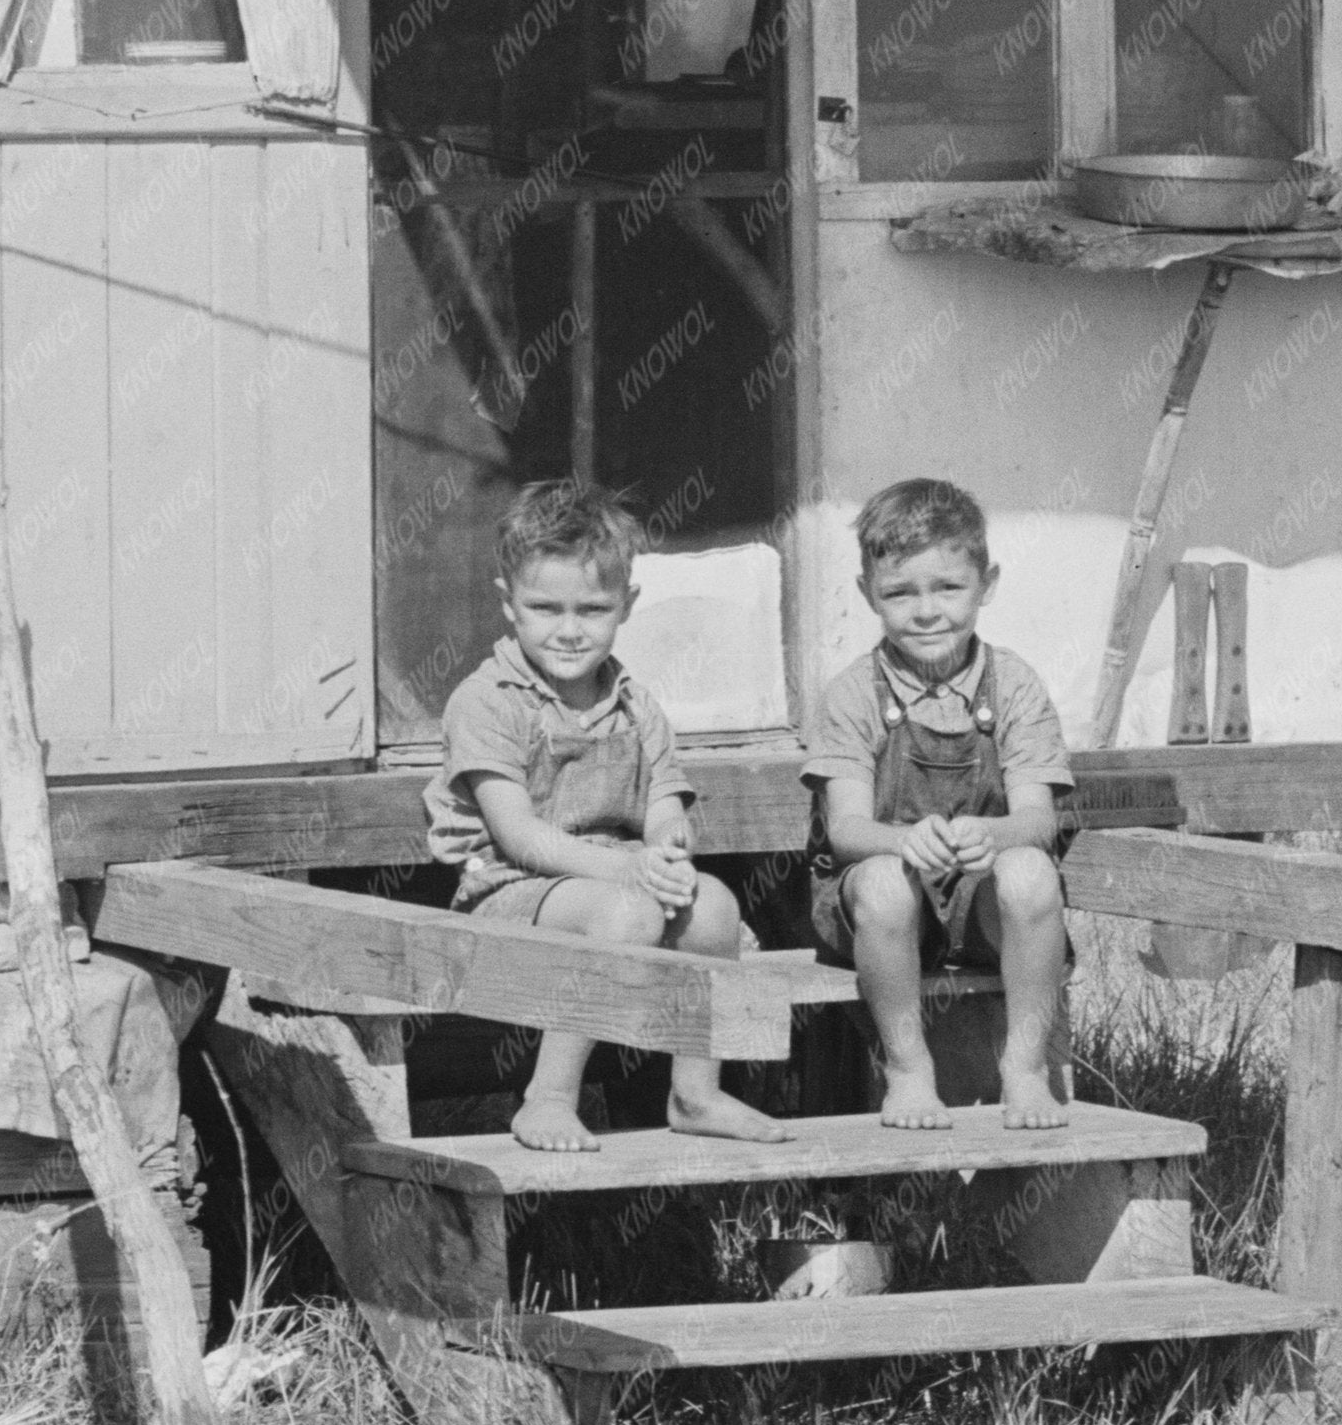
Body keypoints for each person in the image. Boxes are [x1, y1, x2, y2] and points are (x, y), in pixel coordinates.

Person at [427, 475, 767, 1151]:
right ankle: (547, 1098)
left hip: (612, 884)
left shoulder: (634, 705)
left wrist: (667, 853)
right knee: (626, 912)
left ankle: (693, 1092)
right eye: (545, 607)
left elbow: (664, 807)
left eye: (591, 608)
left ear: (627, 603)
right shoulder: (489, 699)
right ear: (508, 603)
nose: (568, 629)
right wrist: (630, 870)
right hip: (506, 896)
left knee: (718, 906)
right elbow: (519, 838)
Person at [805, 474, 1075, 1130]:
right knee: (885, 887)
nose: (926, 611)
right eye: (900, 592)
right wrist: (901, 840)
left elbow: (1039, 820)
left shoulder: (1011, 684)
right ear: (868, 593)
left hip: (978, 905)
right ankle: (906, 1068)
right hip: (882, 911)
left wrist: (995, 832)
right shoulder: (852, 694)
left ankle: (1025, 1065)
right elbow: (843, 829)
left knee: (1033, 874)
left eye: (948, 588)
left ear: (987, 583)